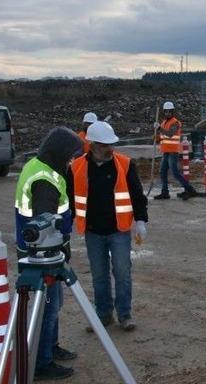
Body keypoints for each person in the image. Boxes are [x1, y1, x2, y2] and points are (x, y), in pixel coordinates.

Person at [14, 127, 83, 380]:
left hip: (42, 252)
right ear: (59, 152)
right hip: (43, 256)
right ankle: (42, 362)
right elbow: (45, 225)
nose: (71, 161)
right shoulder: (45, 181)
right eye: (69, 155)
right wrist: (61, 248)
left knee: (54, 304)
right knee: (48, 307)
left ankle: (51, 347)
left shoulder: (40, 166)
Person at [67, 121, 148, 332]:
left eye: (111, 144)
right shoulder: (76, 168)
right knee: (99, 276)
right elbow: (69, 200)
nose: (110, 149)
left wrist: (140, 220)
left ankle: (125, 315)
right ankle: (103, 316)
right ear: (92, 144)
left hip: (118, 230)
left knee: (122, 274)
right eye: (104, 145)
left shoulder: (125, 164)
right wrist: (64, 223)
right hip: (93, 231)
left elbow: (137, 196)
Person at [153, 101, 197, 200]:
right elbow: (162, 137)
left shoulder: (176, 123)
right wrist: (156, 137)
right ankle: (165, 193)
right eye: (166, 111)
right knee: (163, 172)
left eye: (170, 111)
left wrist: (159, 128)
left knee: (175, 173)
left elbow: (170, 134)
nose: (168, 113)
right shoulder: (164, 123)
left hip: (173, 152)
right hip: (166, 152)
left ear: (172, 112)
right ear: (164, 112)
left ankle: (190, 190)